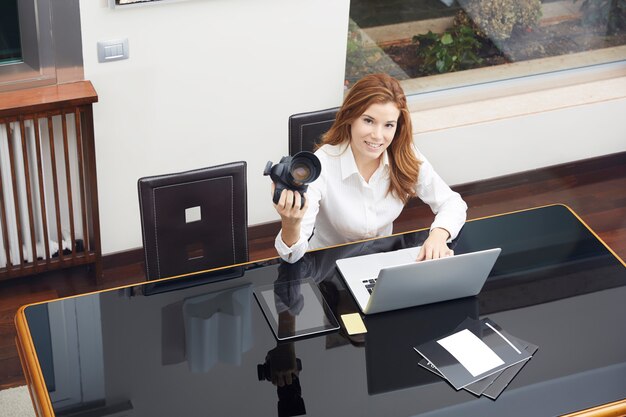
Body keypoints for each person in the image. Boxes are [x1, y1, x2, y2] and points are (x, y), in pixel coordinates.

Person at [272, 73, 467, 264]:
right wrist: (290, 223)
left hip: (381, 262)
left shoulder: (404, 154)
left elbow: (453, 203)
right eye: (368, 121)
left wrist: (439, 234)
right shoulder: (322, 164)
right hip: (328, 271)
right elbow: (291, 256)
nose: (378, 135)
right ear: (350, 117)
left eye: (388, 125)